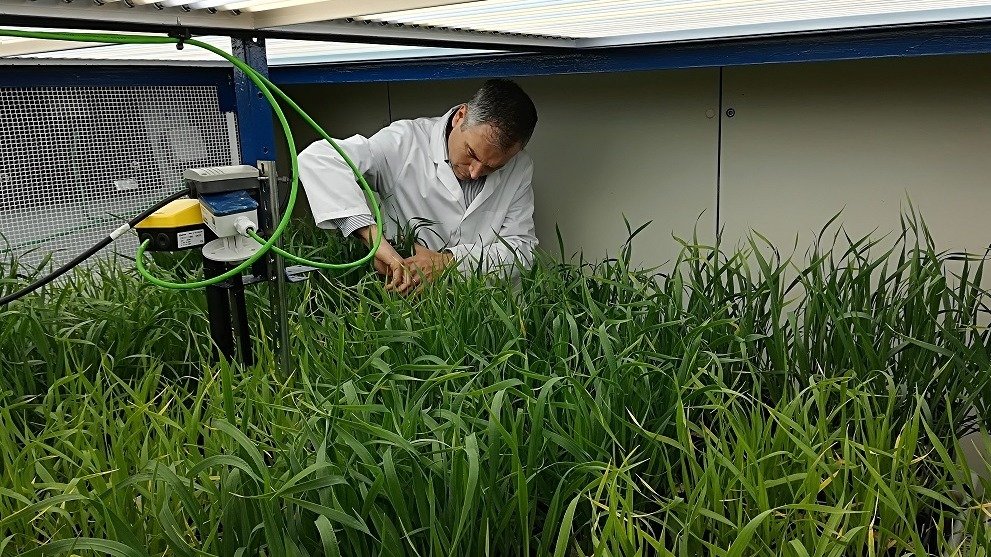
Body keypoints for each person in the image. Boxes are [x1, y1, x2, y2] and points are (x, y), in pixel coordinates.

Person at [298, 79, 538, 294]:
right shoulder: (405, 142)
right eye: (471, 153)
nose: (475, 172)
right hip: (405, 304)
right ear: (460, 117)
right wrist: (376, 242)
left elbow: (522, 250)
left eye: (492, 167)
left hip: (481, 310)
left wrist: (449, 262)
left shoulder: (519, 167)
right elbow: (321, 159)